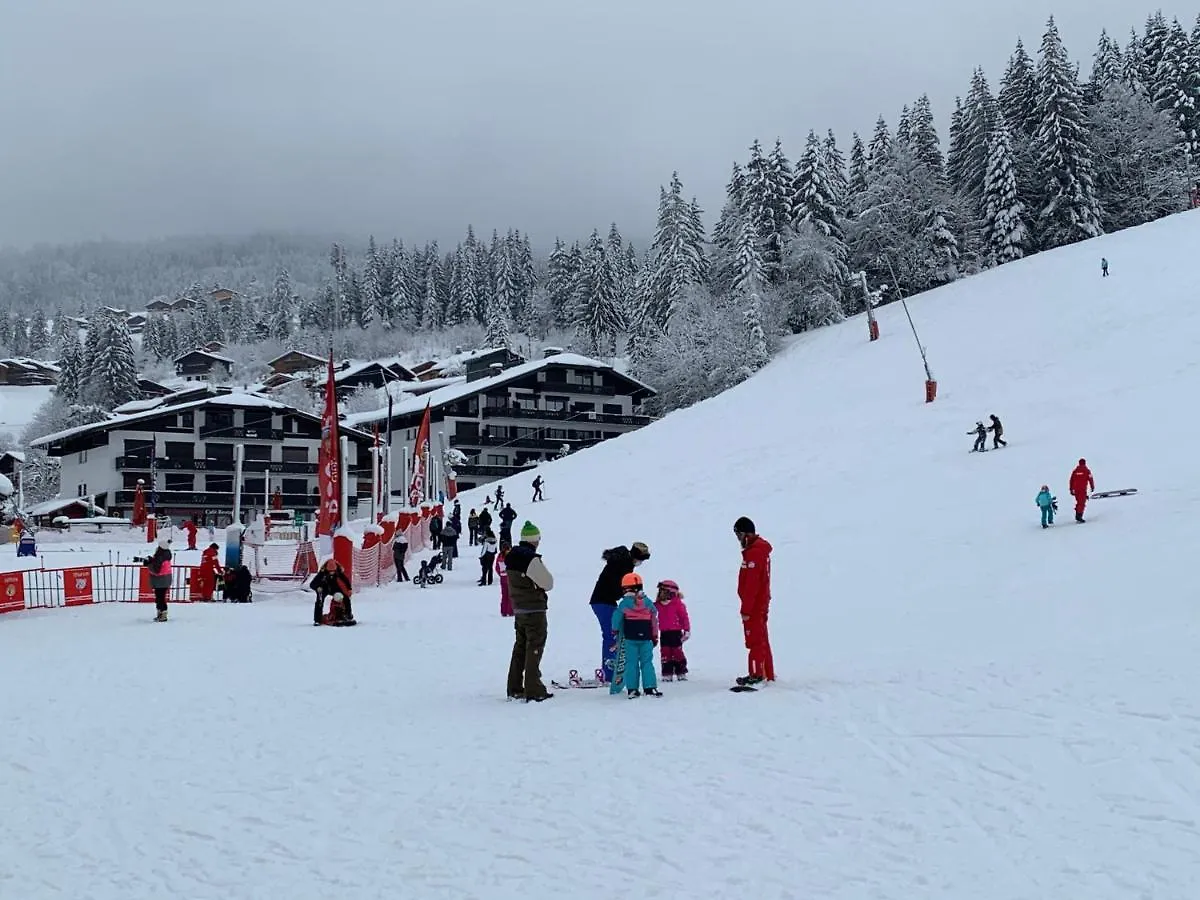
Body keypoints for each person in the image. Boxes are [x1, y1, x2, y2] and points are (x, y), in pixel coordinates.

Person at [588, 541, 651, 683]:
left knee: (614, 634)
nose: (640, 563)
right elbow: (618, 586)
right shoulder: (622, 565)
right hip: (602, 601)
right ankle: (609, 672)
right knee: (611, 635)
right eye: (641, 559)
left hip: (607, 601)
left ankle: (612, 669)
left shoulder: (623, 563)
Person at [505, 521, 554, 702]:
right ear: (534, 540)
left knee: (520, 647)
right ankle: (534, 689)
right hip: (534, 608)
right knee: (534, 646)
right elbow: (547, 583)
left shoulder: (511, 556)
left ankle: (514, 686)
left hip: (519, 608)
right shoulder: (531, 559)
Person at [734, 516, 774, 688]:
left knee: (755, 640)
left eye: (738, 535)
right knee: (761, 638)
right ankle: (766, 673)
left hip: (755, 605)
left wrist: (746, 609)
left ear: (745, 534)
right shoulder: (757, 551)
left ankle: (757, 675)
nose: (738, 540)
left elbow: (752, 585)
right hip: (759, 603)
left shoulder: (754, 553)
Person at [611, 572, 662, 698]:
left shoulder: (624, 604)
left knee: (631, 663)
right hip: (646, 638)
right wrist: (655, 635)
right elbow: (654, 620)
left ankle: (632, 689)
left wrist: (615, 630)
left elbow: (616, 618)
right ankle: (650, 687)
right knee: (647, 663)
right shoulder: (648, 603)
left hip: (630, 638)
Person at [654, 579, 691, 682]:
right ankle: (667, 672)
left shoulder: (678, 604)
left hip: (676, 633)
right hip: (664, 633)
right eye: (660, 592)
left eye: (664, 592)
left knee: (677, 652)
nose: (661, 594)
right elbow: (651, 615)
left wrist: (686, 630)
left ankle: (681, 671)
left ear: (671, 593)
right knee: (665, 653)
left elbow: (684, 617)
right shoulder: (657, 605)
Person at [311, 558, 355, 626]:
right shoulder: (322, 573)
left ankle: (348, 615)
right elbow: (312, 584)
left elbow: (345, 580)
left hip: (334, 588)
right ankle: (317, 620)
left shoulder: (338, 571)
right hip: (323, 589)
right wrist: (317, 588)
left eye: (333, 571)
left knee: (345, 598)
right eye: (330, 571)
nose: (332, 573)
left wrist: (349, 589)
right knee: (319, 601)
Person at [145, 535, 173, 622]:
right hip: (165, 580)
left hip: (160, 580)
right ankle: (161, 613)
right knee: (160, 597)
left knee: (160, 598)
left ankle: (162, 614)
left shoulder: (160, 557)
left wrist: (149, 564)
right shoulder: (166, 555)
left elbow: (156, 571)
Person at [1069, 458, 1095, 523]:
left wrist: (1071, 489)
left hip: (1076, 489)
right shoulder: (1087, 471)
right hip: (1082, 489)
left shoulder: (1075, 471)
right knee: (1082, 503)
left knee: (1079, 502)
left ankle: (1078, 514)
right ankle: (1079, 516)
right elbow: (1090, 479)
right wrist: (1092, 487)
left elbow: (1071, 480)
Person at [497, 539, 513, 617]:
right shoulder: (511, 556)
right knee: (511, 595)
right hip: (510, 577)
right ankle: (510, 611)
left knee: (504, 595)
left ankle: (503, 611)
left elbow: (497, 567)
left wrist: (500, 574)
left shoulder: (500, 556)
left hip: (503, 578)